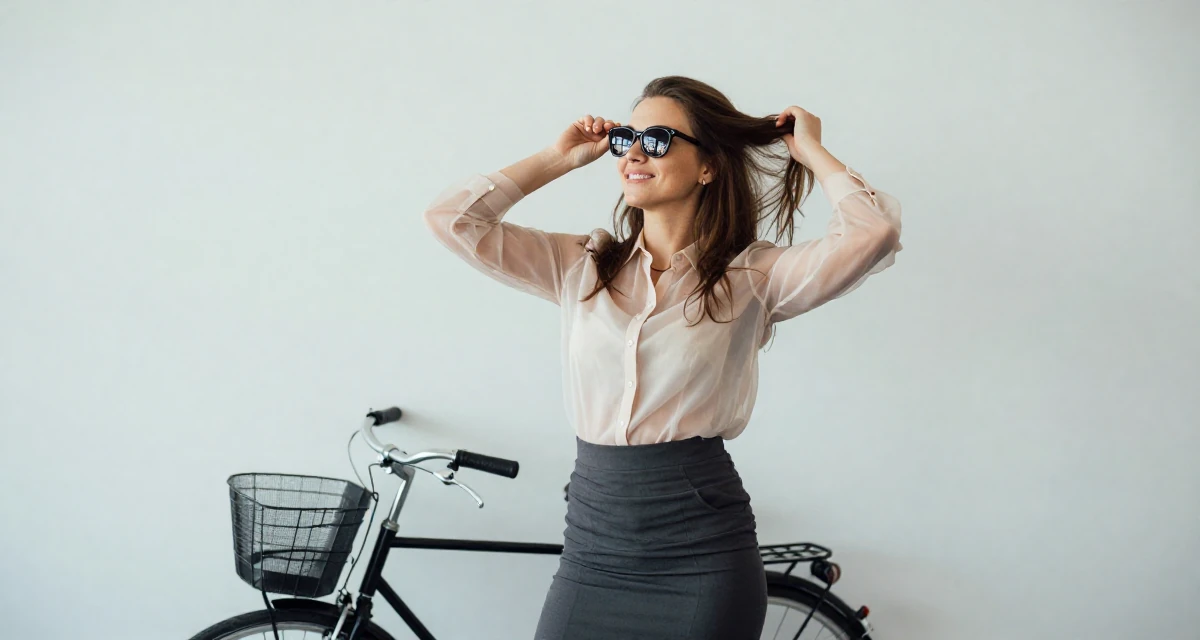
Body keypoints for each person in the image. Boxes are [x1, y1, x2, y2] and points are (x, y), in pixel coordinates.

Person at [422, 75, 902, 639]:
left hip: (701, 556)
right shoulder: (580, 263)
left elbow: (875, 234)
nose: (632, 152)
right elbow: (452, 219)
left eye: (658, 139)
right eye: (628, 136)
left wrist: (811, 151)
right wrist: (558, 158)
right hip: (593, 550)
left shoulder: (753, 277)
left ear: (709, 166)